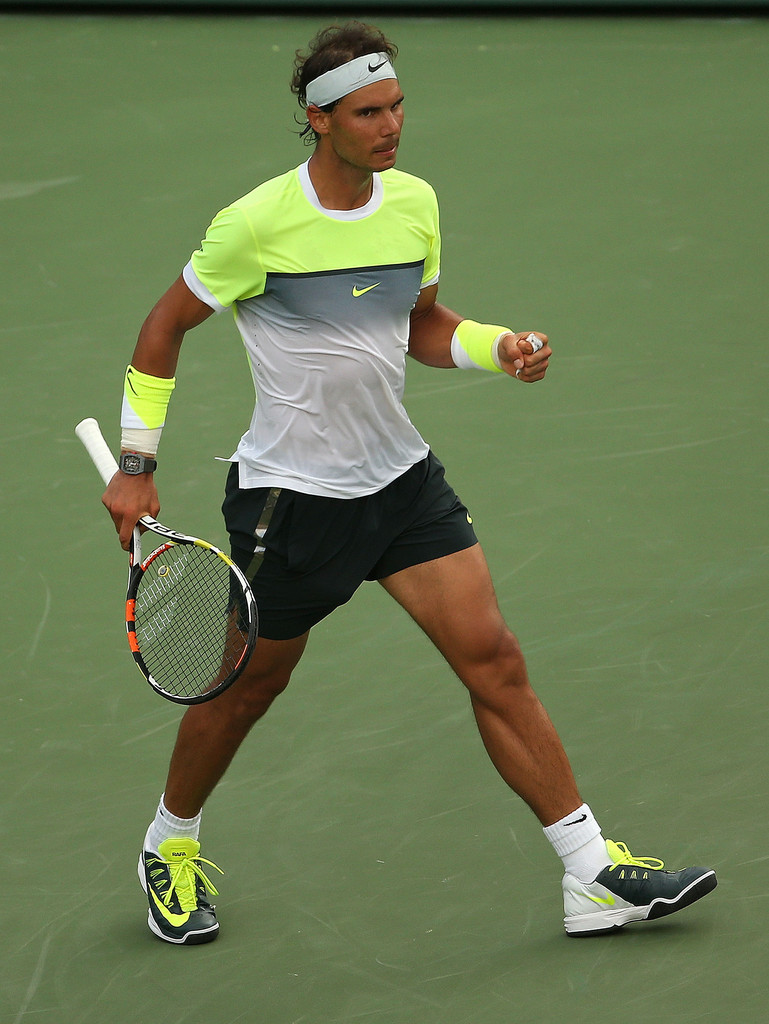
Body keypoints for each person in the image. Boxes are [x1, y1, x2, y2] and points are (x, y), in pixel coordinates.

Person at [103, 22, 716, 946]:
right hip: (293, 503)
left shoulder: (414, 204)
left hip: (399, 485)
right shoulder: (256, 223)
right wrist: (137, 464)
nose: (389, 126)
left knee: (493, 660)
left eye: (395, 107)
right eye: (367, 112)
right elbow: (163, 325)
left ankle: (589, 872)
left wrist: (495, 349)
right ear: (318, 120)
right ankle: (169, 844)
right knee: (243, 691)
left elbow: (420, 326)